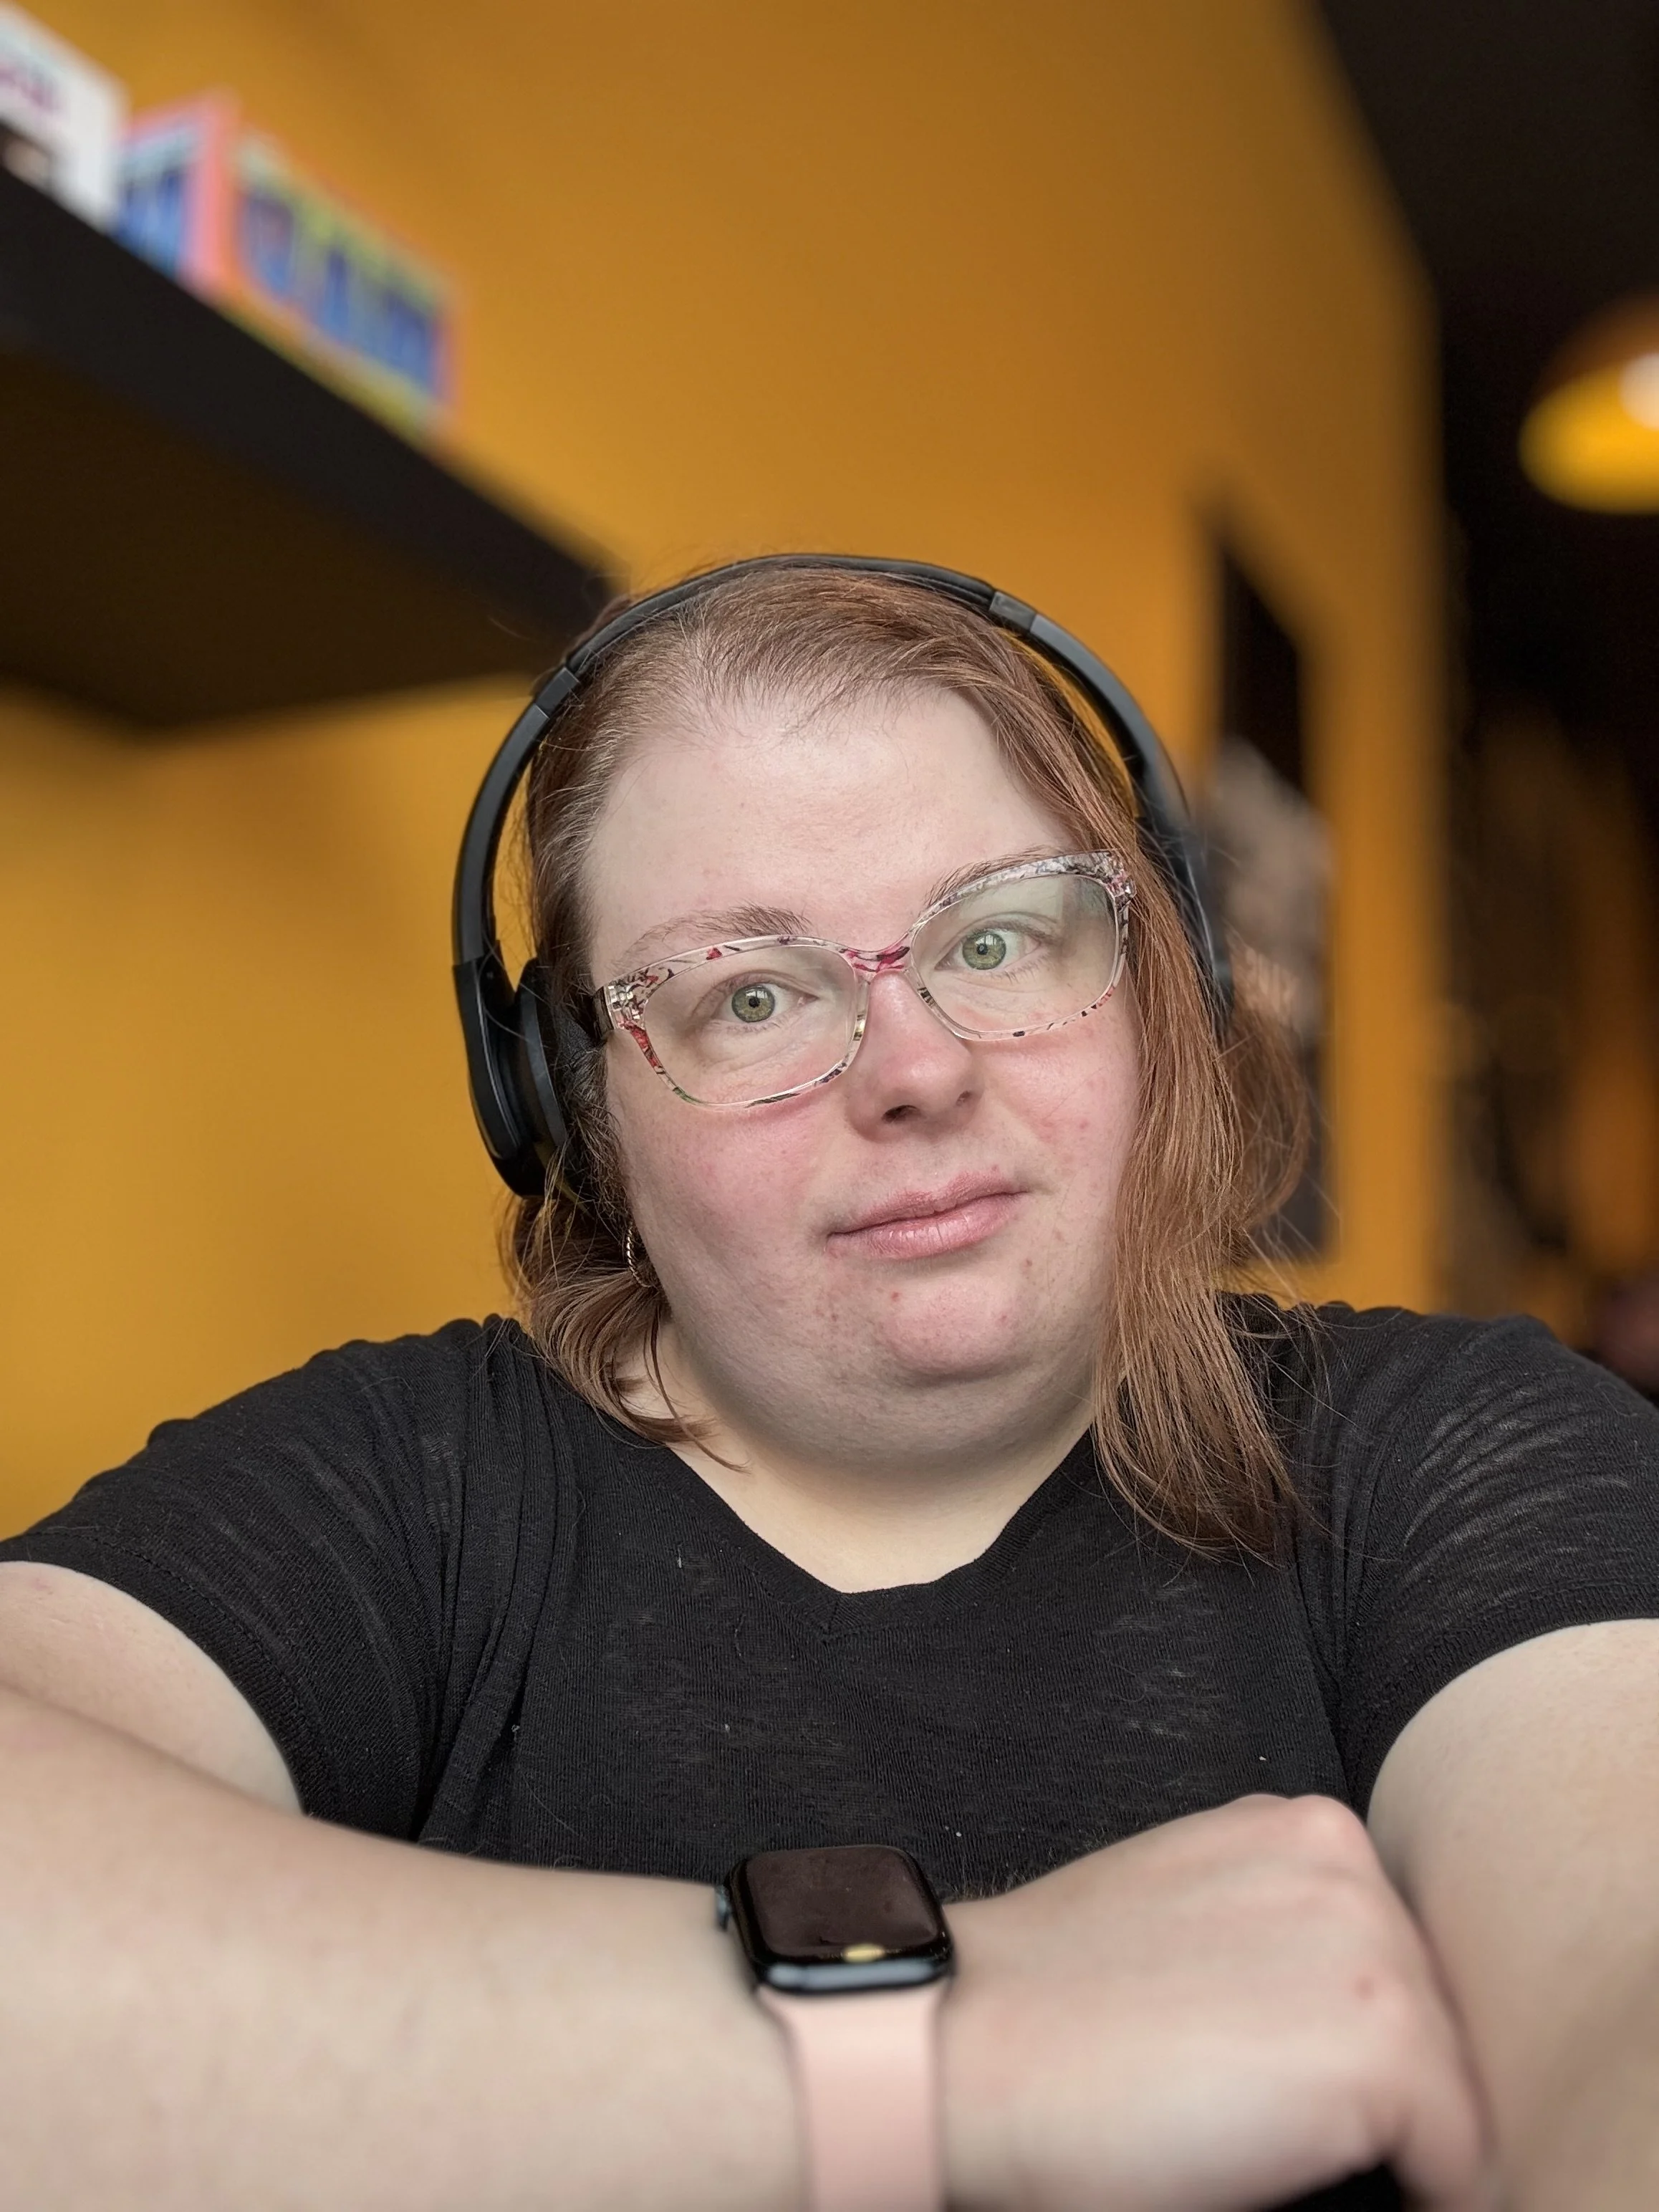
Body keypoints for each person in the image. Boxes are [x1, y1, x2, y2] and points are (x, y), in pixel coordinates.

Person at [1, 559, 1657, 2212]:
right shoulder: (402, 1485)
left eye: (1000, 935)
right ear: (577, 1117)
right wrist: (942, 2040)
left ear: (1168, 982)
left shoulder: (1458, 1446)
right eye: (753, 994)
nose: (918, 1070)